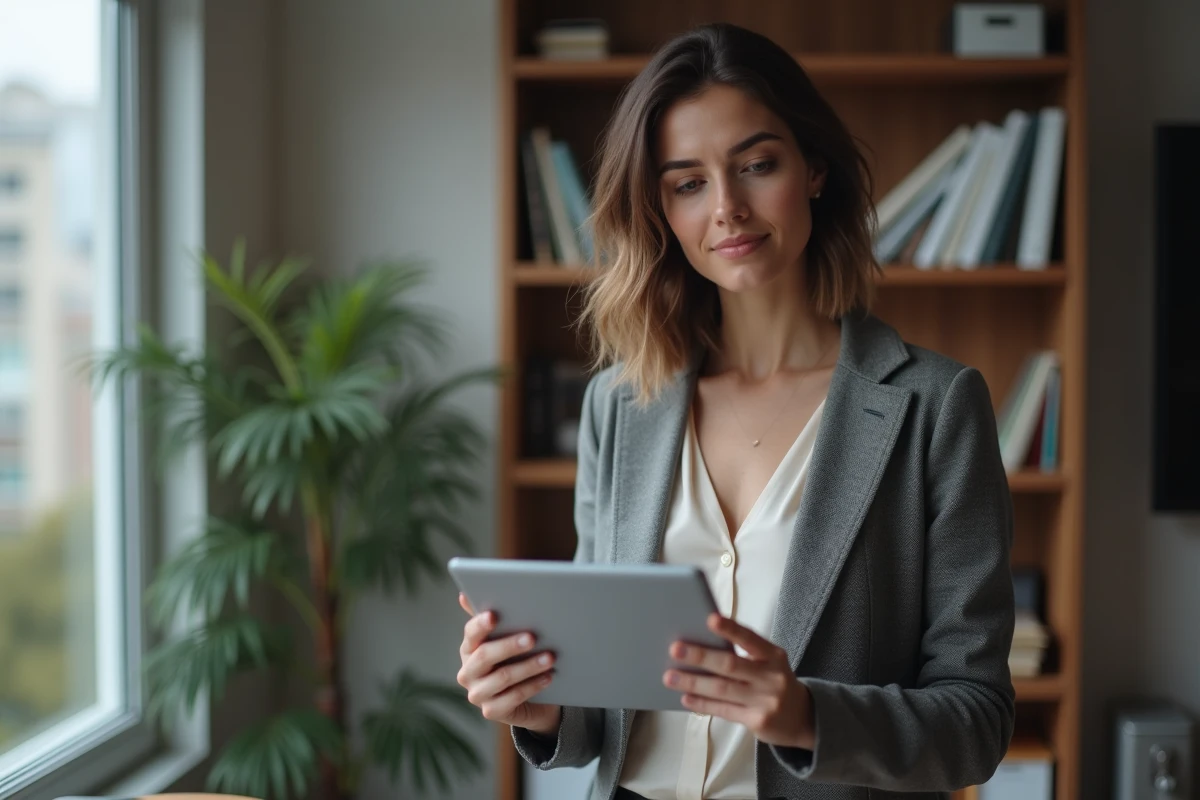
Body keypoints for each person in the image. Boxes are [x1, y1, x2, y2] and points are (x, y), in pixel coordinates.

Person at [457, 21, 1015, 800]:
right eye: (687, 183)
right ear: (659, 210)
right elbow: (600, 709)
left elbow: (977, 722)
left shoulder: (935, 407)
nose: (727, 207)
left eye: (756, 166)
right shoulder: (619, 404)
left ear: (813, 168)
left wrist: (806, 716)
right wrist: (542, 706)